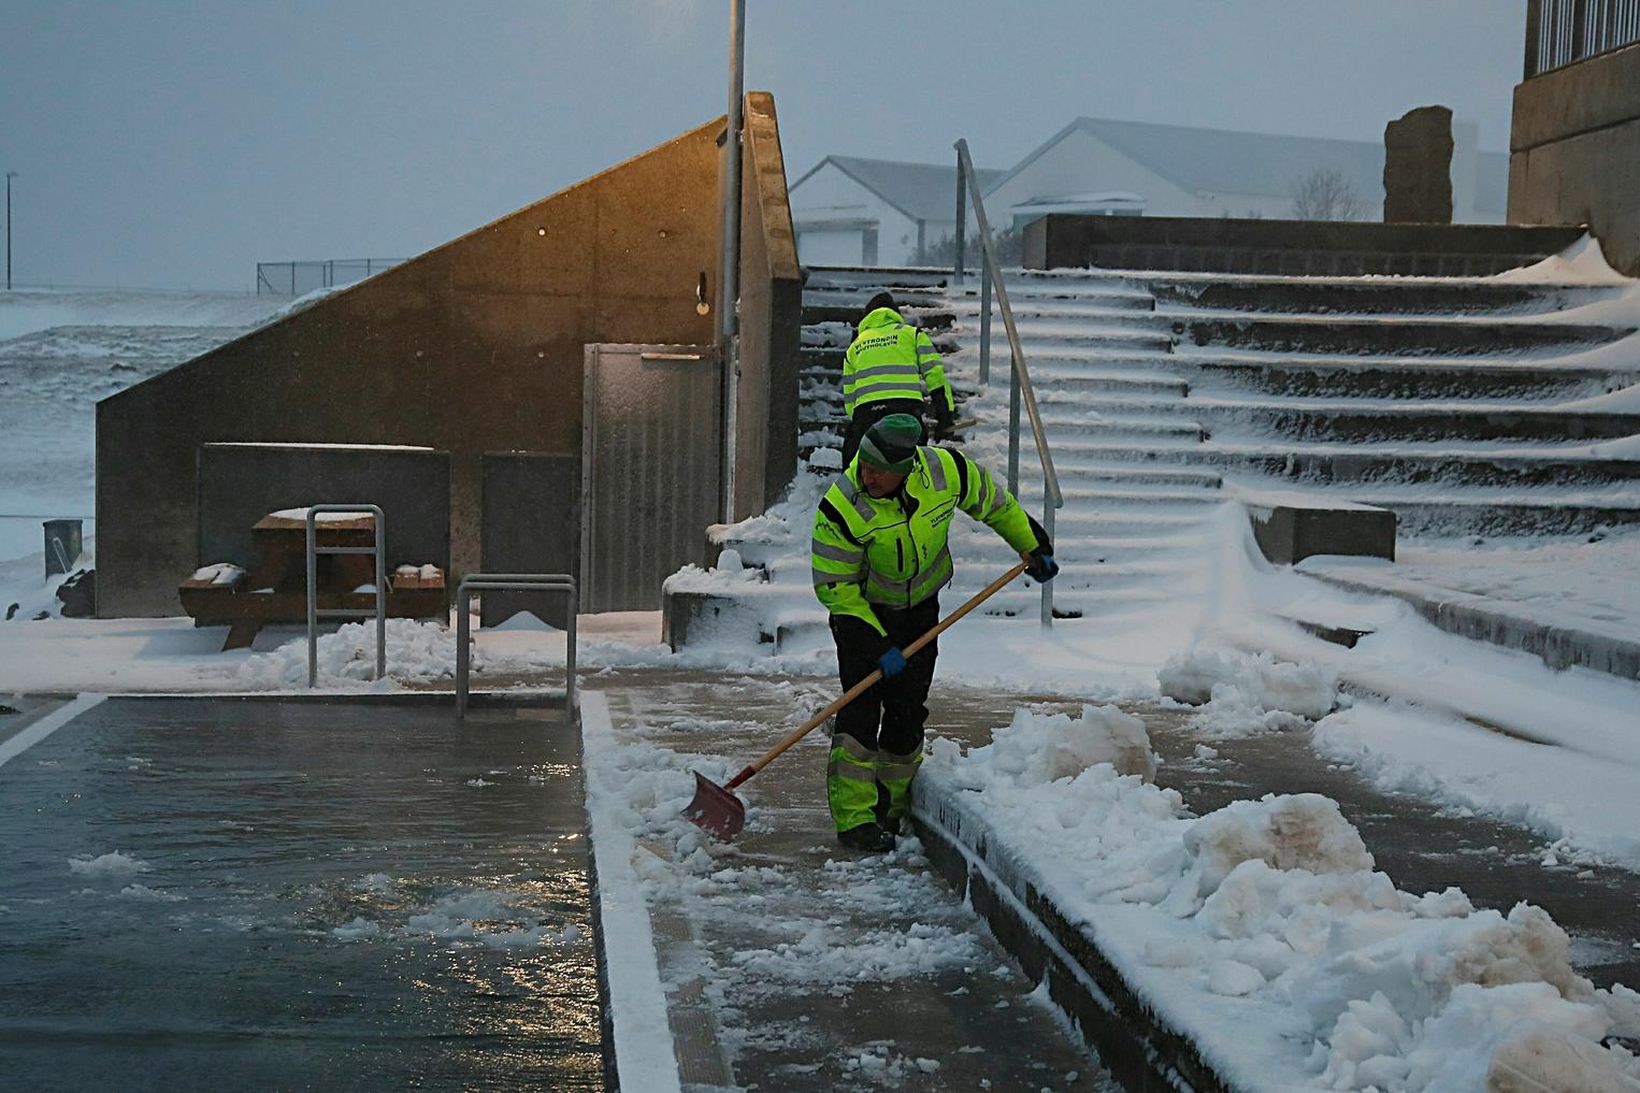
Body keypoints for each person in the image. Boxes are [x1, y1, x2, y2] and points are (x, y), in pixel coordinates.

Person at [810, 413, 1059, 852]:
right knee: (861, 712)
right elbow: (835, 586)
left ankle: (890, 805)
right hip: (862, 615)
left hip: (921, 611)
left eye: (876, 470)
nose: (865, 475)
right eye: (862, 465)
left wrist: (1030, 545)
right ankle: (855, 819)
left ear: (906, 468)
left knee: (907, 710)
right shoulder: (842, 506)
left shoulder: (946, 472)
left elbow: (995, 504)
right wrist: (877, 645)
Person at [839, 291, 957, 467]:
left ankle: (855, 491)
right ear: (895, 314)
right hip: (906, 410)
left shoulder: (855, 346)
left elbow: (850, 400)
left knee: (854, 467)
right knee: (914, 467)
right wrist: (944, 415)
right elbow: (935, 377)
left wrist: (858, 426)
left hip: (867, 413)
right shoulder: (912, 334)